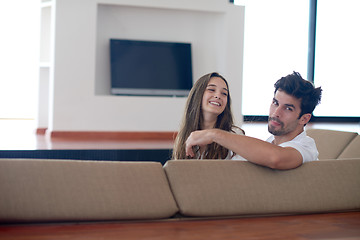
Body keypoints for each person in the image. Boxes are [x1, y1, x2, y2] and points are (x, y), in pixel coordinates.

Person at [185, 71, 322, 170]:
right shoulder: (269, 143)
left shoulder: (306, 147)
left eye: (288, 108)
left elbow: (276, 158)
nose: (276, 112)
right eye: (275, 103)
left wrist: (213, 134)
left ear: (304, 118)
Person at [172, 72, 244, 160]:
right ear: (198, 95)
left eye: (224, 93)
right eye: (211, 90)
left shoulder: (235, 135)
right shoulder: (183, 136)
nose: (218, 96)